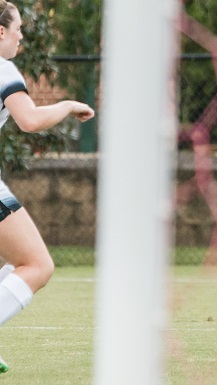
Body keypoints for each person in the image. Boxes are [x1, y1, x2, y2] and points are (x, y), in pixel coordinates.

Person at [0, 1, 95, 373]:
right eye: (18, 28)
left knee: (15, 263)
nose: (22, 35)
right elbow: (29, 119)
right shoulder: (3, 68)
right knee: (37, 265)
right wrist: (69, 104)